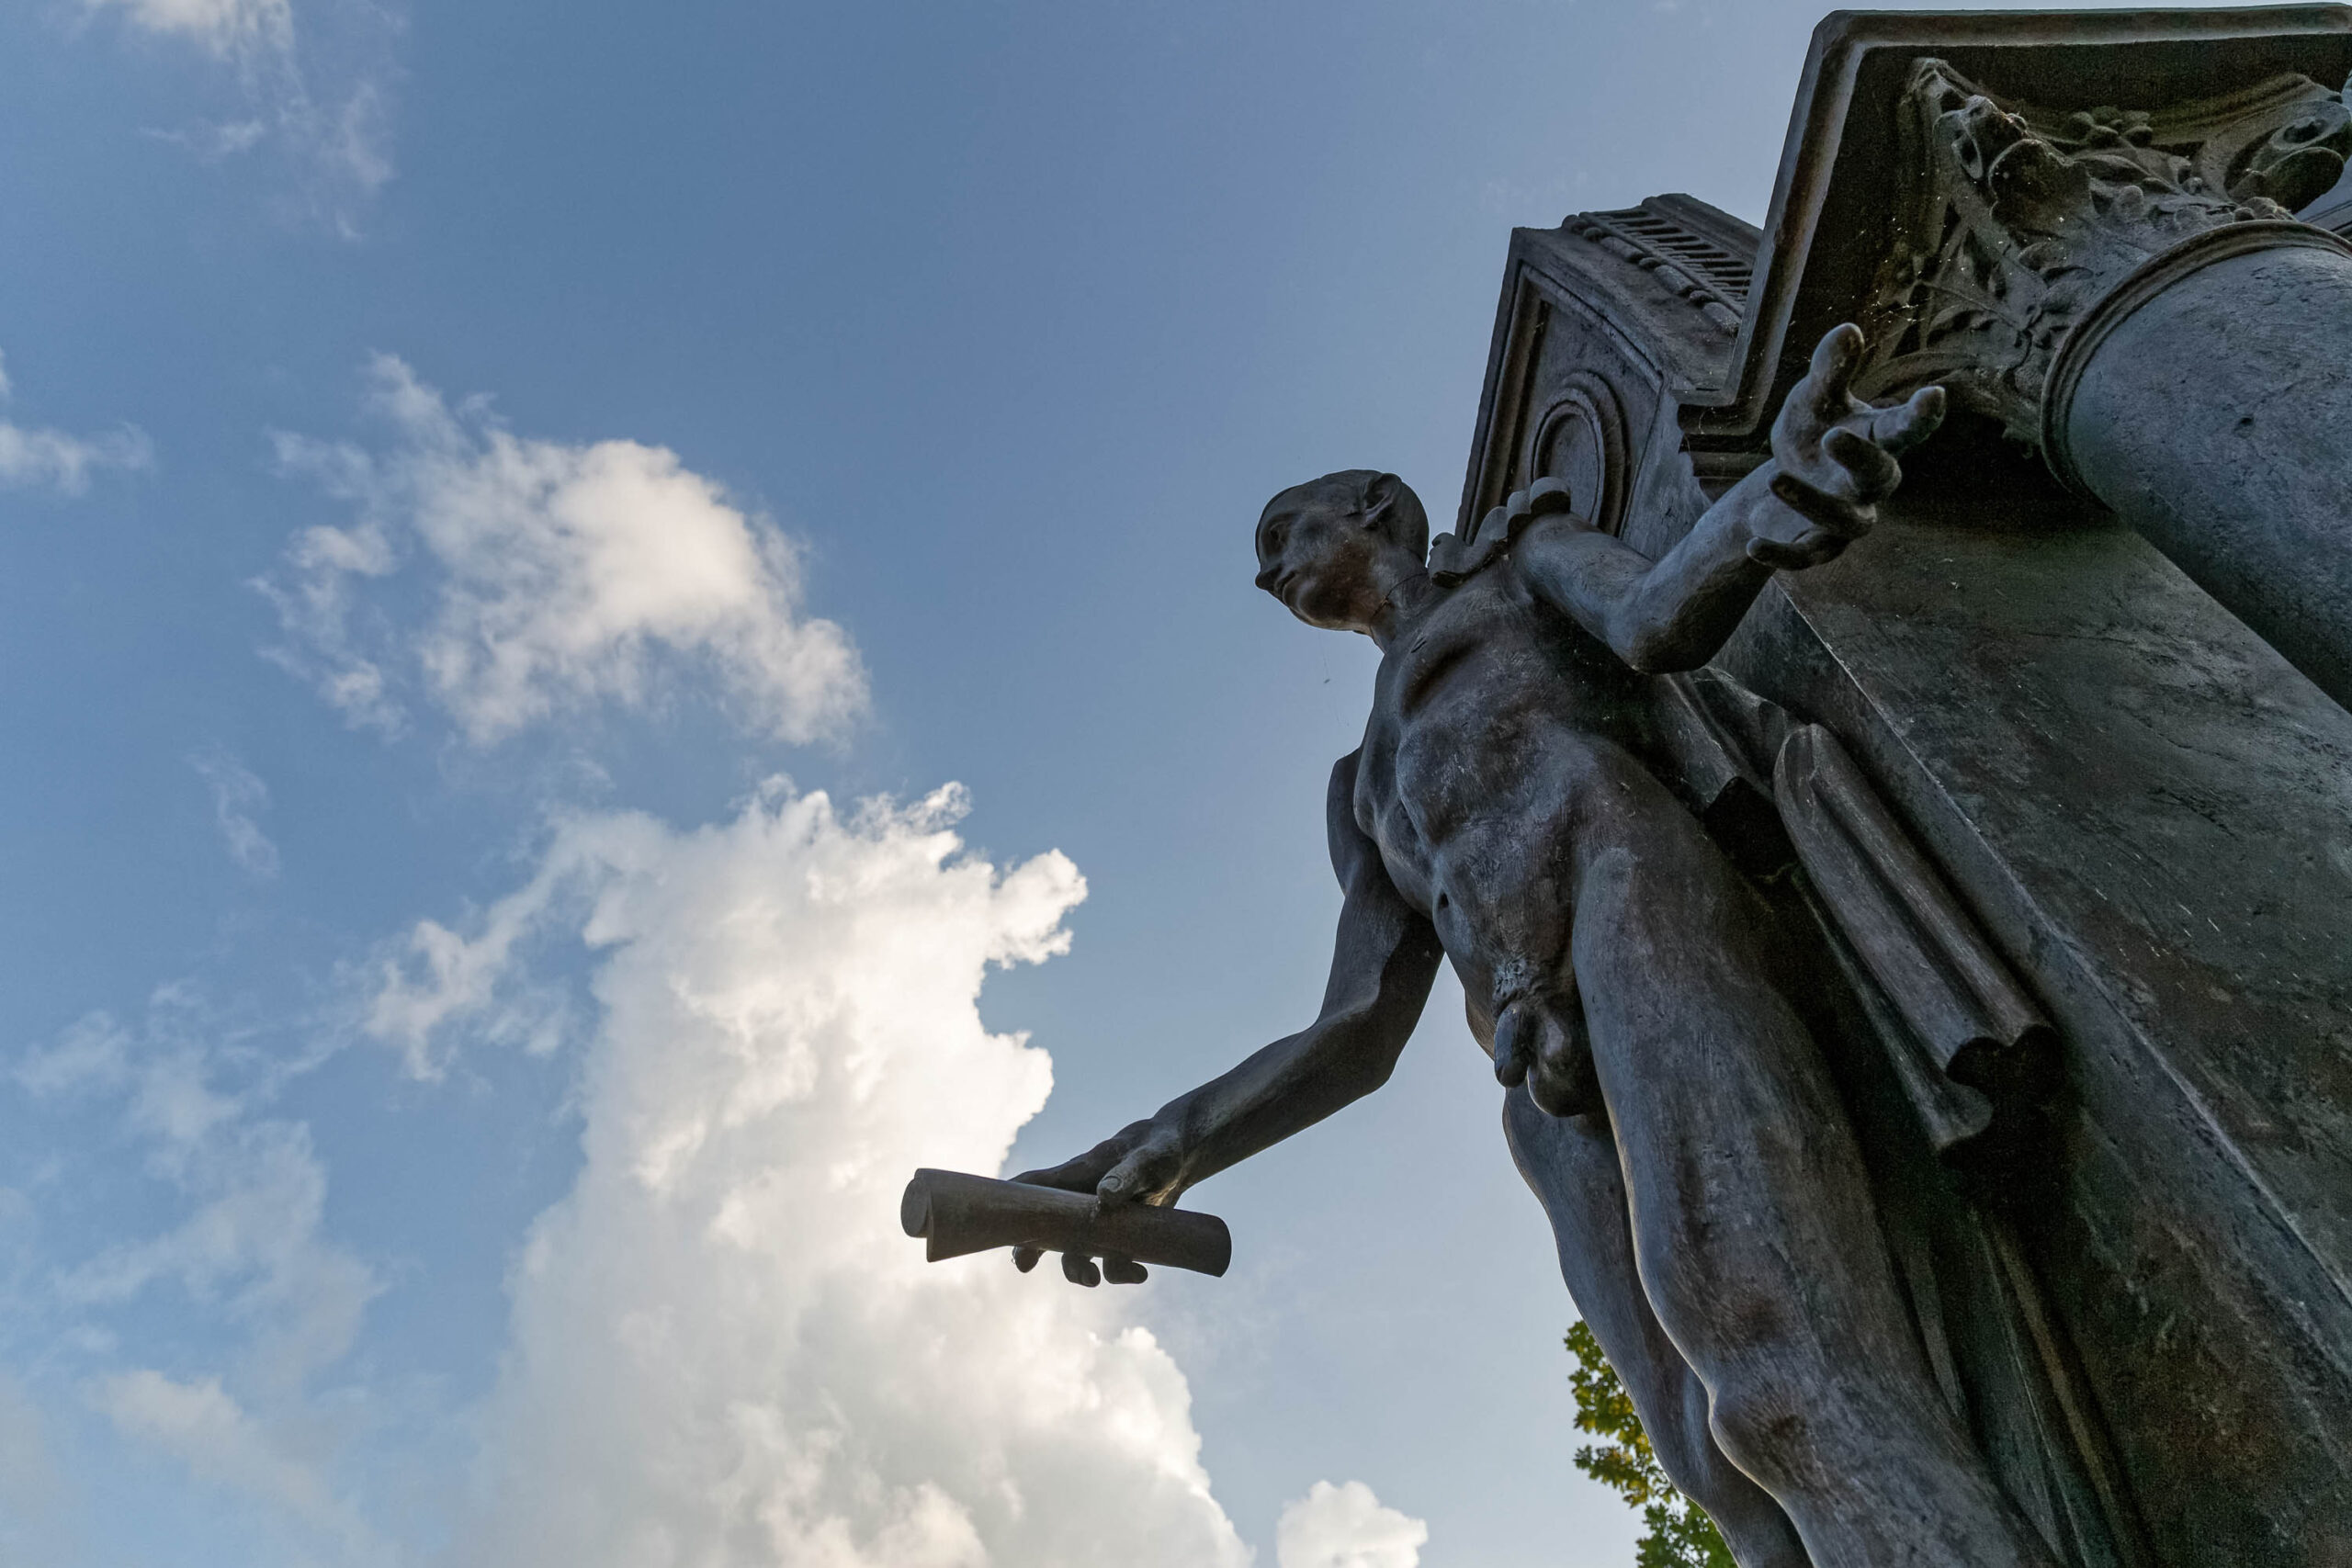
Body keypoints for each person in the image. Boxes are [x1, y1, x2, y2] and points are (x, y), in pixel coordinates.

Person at [1012, 326, 2059, 1568]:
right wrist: (1166, 1147)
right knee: (1718, 1467)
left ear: (1376, 508)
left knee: (1782, 1357)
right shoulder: (1361, 787)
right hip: (1541, 1083)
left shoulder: (1517, 568)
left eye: (1286, 534)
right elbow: (1355, 1031)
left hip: (1636, 905)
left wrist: (1780, 492)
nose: (1269, 574)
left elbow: (1656, 614)